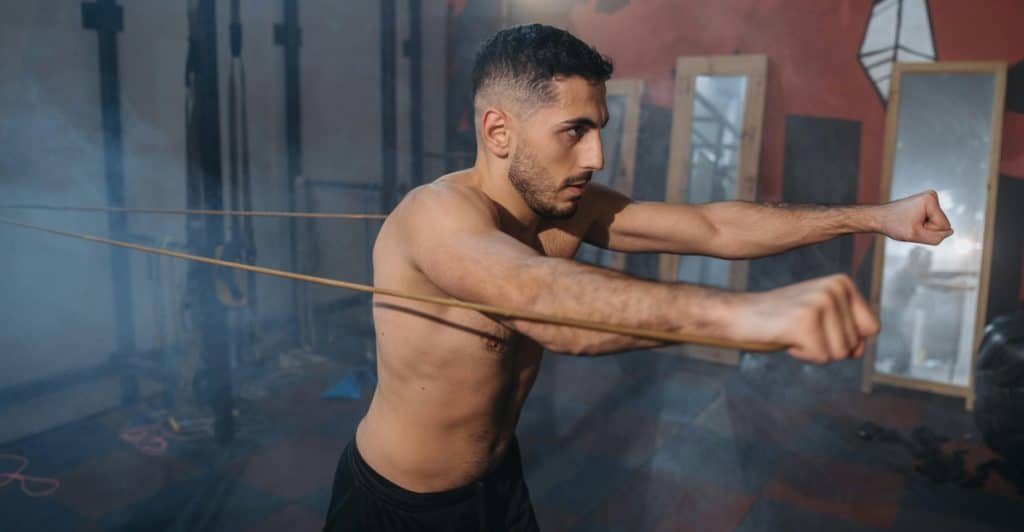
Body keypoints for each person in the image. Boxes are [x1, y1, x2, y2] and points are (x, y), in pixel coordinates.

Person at [323, 24, 954, 531]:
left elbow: (712, 227)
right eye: (574, 131)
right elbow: (542, 300)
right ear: (498, 131)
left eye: (598, 130)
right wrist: (751, 315)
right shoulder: (435, 215)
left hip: (499, 483)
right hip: (397, 506)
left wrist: (876, 216)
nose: (596, 157)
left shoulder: (565, 206)